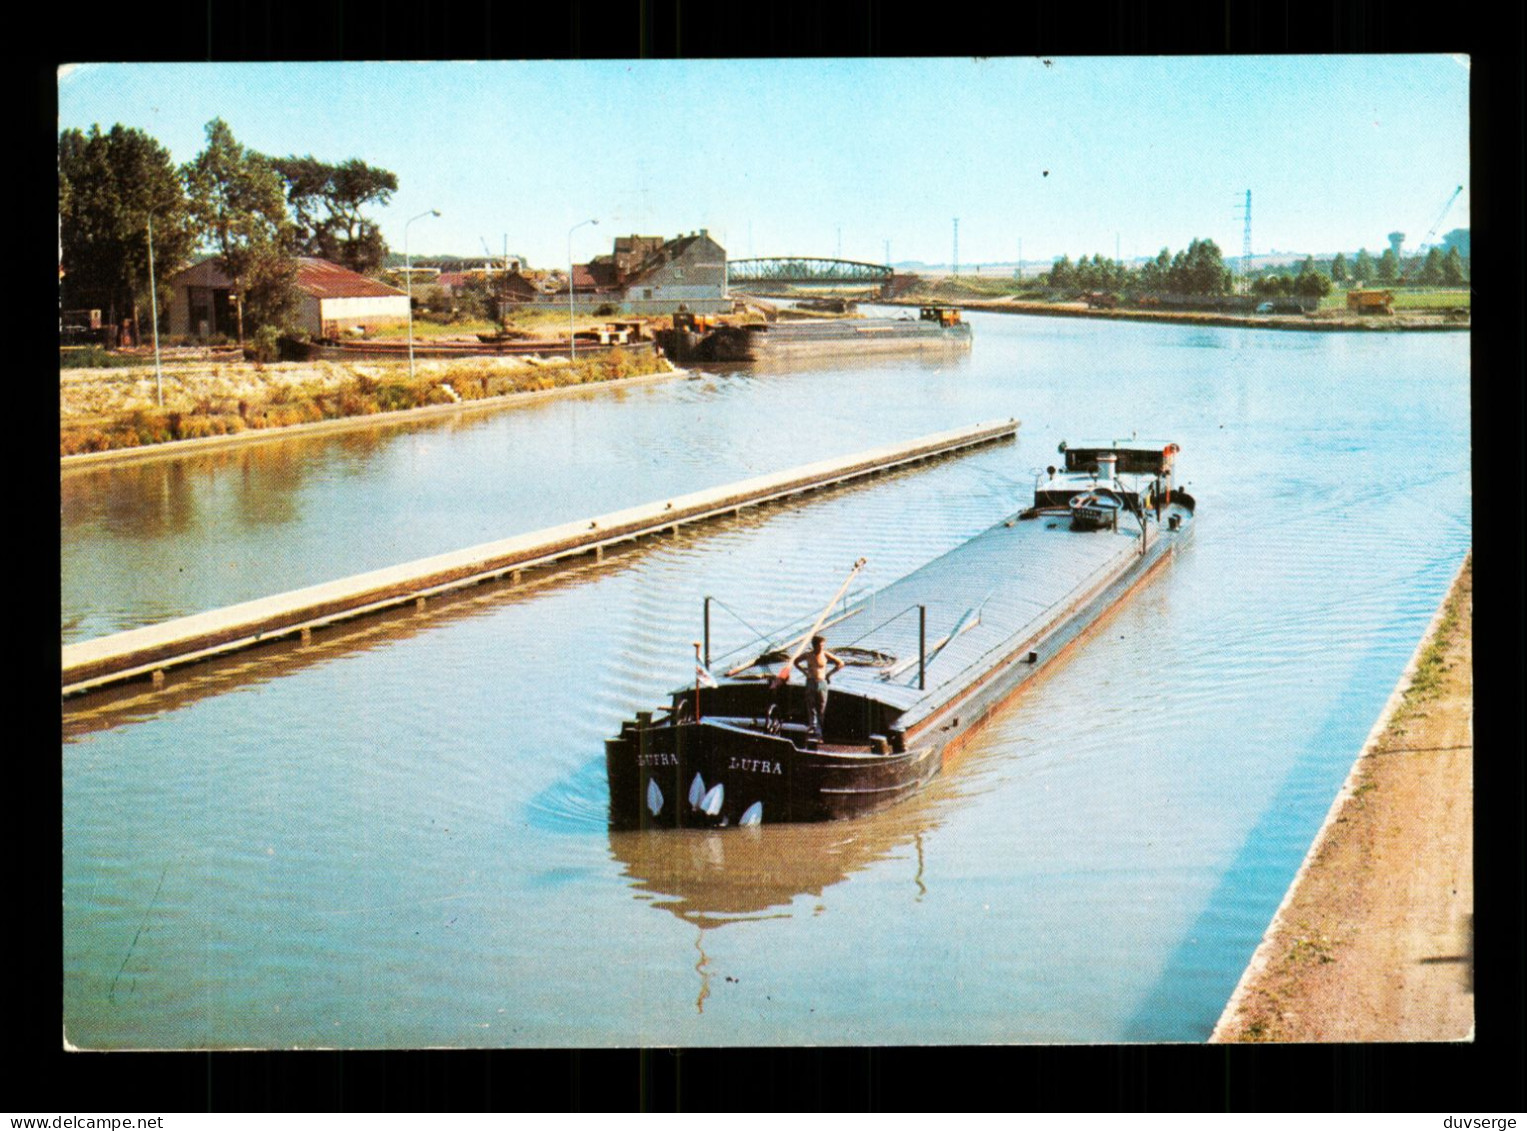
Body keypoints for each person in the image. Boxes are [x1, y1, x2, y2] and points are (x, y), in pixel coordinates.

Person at [793, 635, 844, 739]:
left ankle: (819, 730)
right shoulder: (808, 655)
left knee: (821, 707)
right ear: (814, 645)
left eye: (823, 645)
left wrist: (829, 674)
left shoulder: (825, 654)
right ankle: (812, 726)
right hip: (811, 681)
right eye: (820, 645)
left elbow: (840, 663)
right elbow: (795, 662)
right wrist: (804, 672)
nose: (821, 647)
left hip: (822, 681)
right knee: (811, 705)